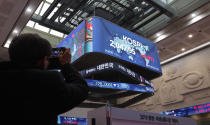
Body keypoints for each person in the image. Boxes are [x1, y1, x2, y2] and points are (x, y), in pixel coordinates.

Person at [0, 33, 89, 125]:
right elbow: (81, 88)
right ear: (42, 61)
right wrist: (65, 64)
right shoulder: (48, 82)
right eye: (47, 59)